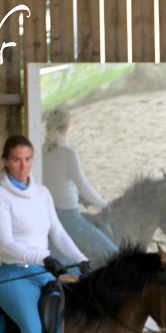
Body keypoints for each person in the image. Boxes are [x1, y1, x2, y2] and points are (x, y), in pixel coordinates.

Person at [0, 134, 92, 333]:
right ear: (6, 162)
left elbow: (58, 234)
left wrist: (82, 260)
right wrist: (42, 259)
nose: (23, 166)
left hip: (41, 274)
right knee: (32, 328)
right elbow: (6, 242)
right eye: (17, 160)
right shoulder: (1, 196)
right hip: (14, 275)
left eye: (28, 159)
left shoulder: (43, 194)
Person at [42, 109, 118, 264]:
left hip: (47, 213)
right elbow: (83, 186)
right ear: (67, 127)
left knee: (65, 262)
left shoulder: (41, 151)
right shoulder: (68, 153)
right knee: (112, 252)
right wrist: (103, 203)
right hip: (68, 216)